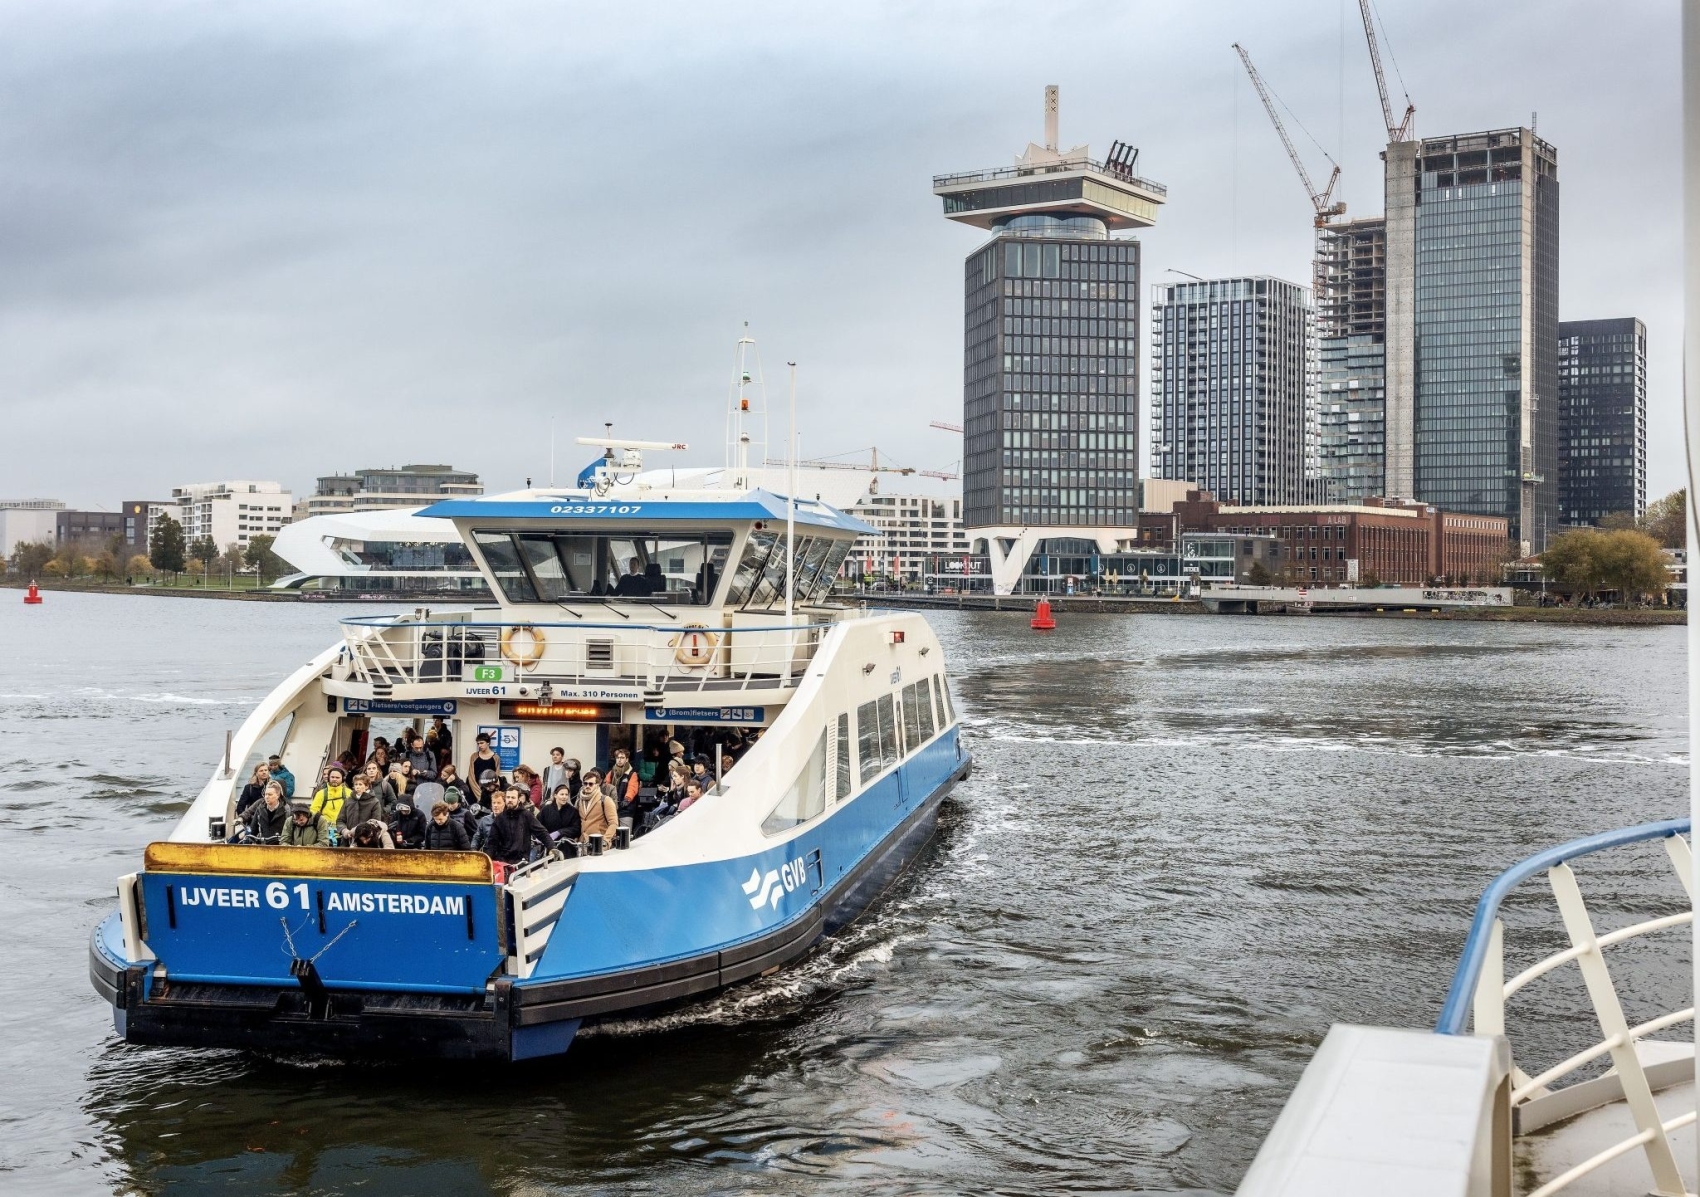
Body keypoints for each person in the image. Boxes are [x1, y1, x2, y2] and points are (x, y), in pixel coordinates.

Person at [483, 787, 551, 865]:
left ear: (519, 800)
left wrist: (552, 847)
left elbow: (541, 832)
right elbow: (492, 843)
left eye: (513, 797)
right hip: (502, 862)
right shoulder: (499, 819)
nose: (510, 800)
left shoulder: (526, 815)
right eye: (508, 797)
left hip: (521, 862)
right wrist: (486, 860)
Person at [575, 770, 619, 848]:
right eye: (585, 783)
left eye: (591, 784)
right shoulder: (579, 801)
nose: (587, 786)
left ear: (597, 785)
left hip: (600, 844)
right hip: (583, 843)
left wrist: (605, 840)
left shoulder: (605, 800)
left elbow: (613, 823)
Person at [538, 783, 581, 849]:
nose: (564, 797)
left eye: (566, 794)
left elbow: (576, 829)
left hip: (566, 846)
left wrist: (560, 832)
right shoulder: (546, 809)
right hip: (548, 845)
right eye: (562, 794)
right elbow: (538, 825)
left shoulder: (572, 811)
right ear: (555, 795)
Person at [467, 734, 503, 804]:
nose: (480, 745)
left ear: (488, 743)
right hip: (473, 788)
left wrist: (491, 789)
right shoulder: (474, 756)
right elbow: (471, 775)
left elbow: (496, 775)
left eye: (482, 743)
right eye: (478, 743)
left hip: (489, 790)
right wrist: (478, 792)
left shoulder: (496, 757)